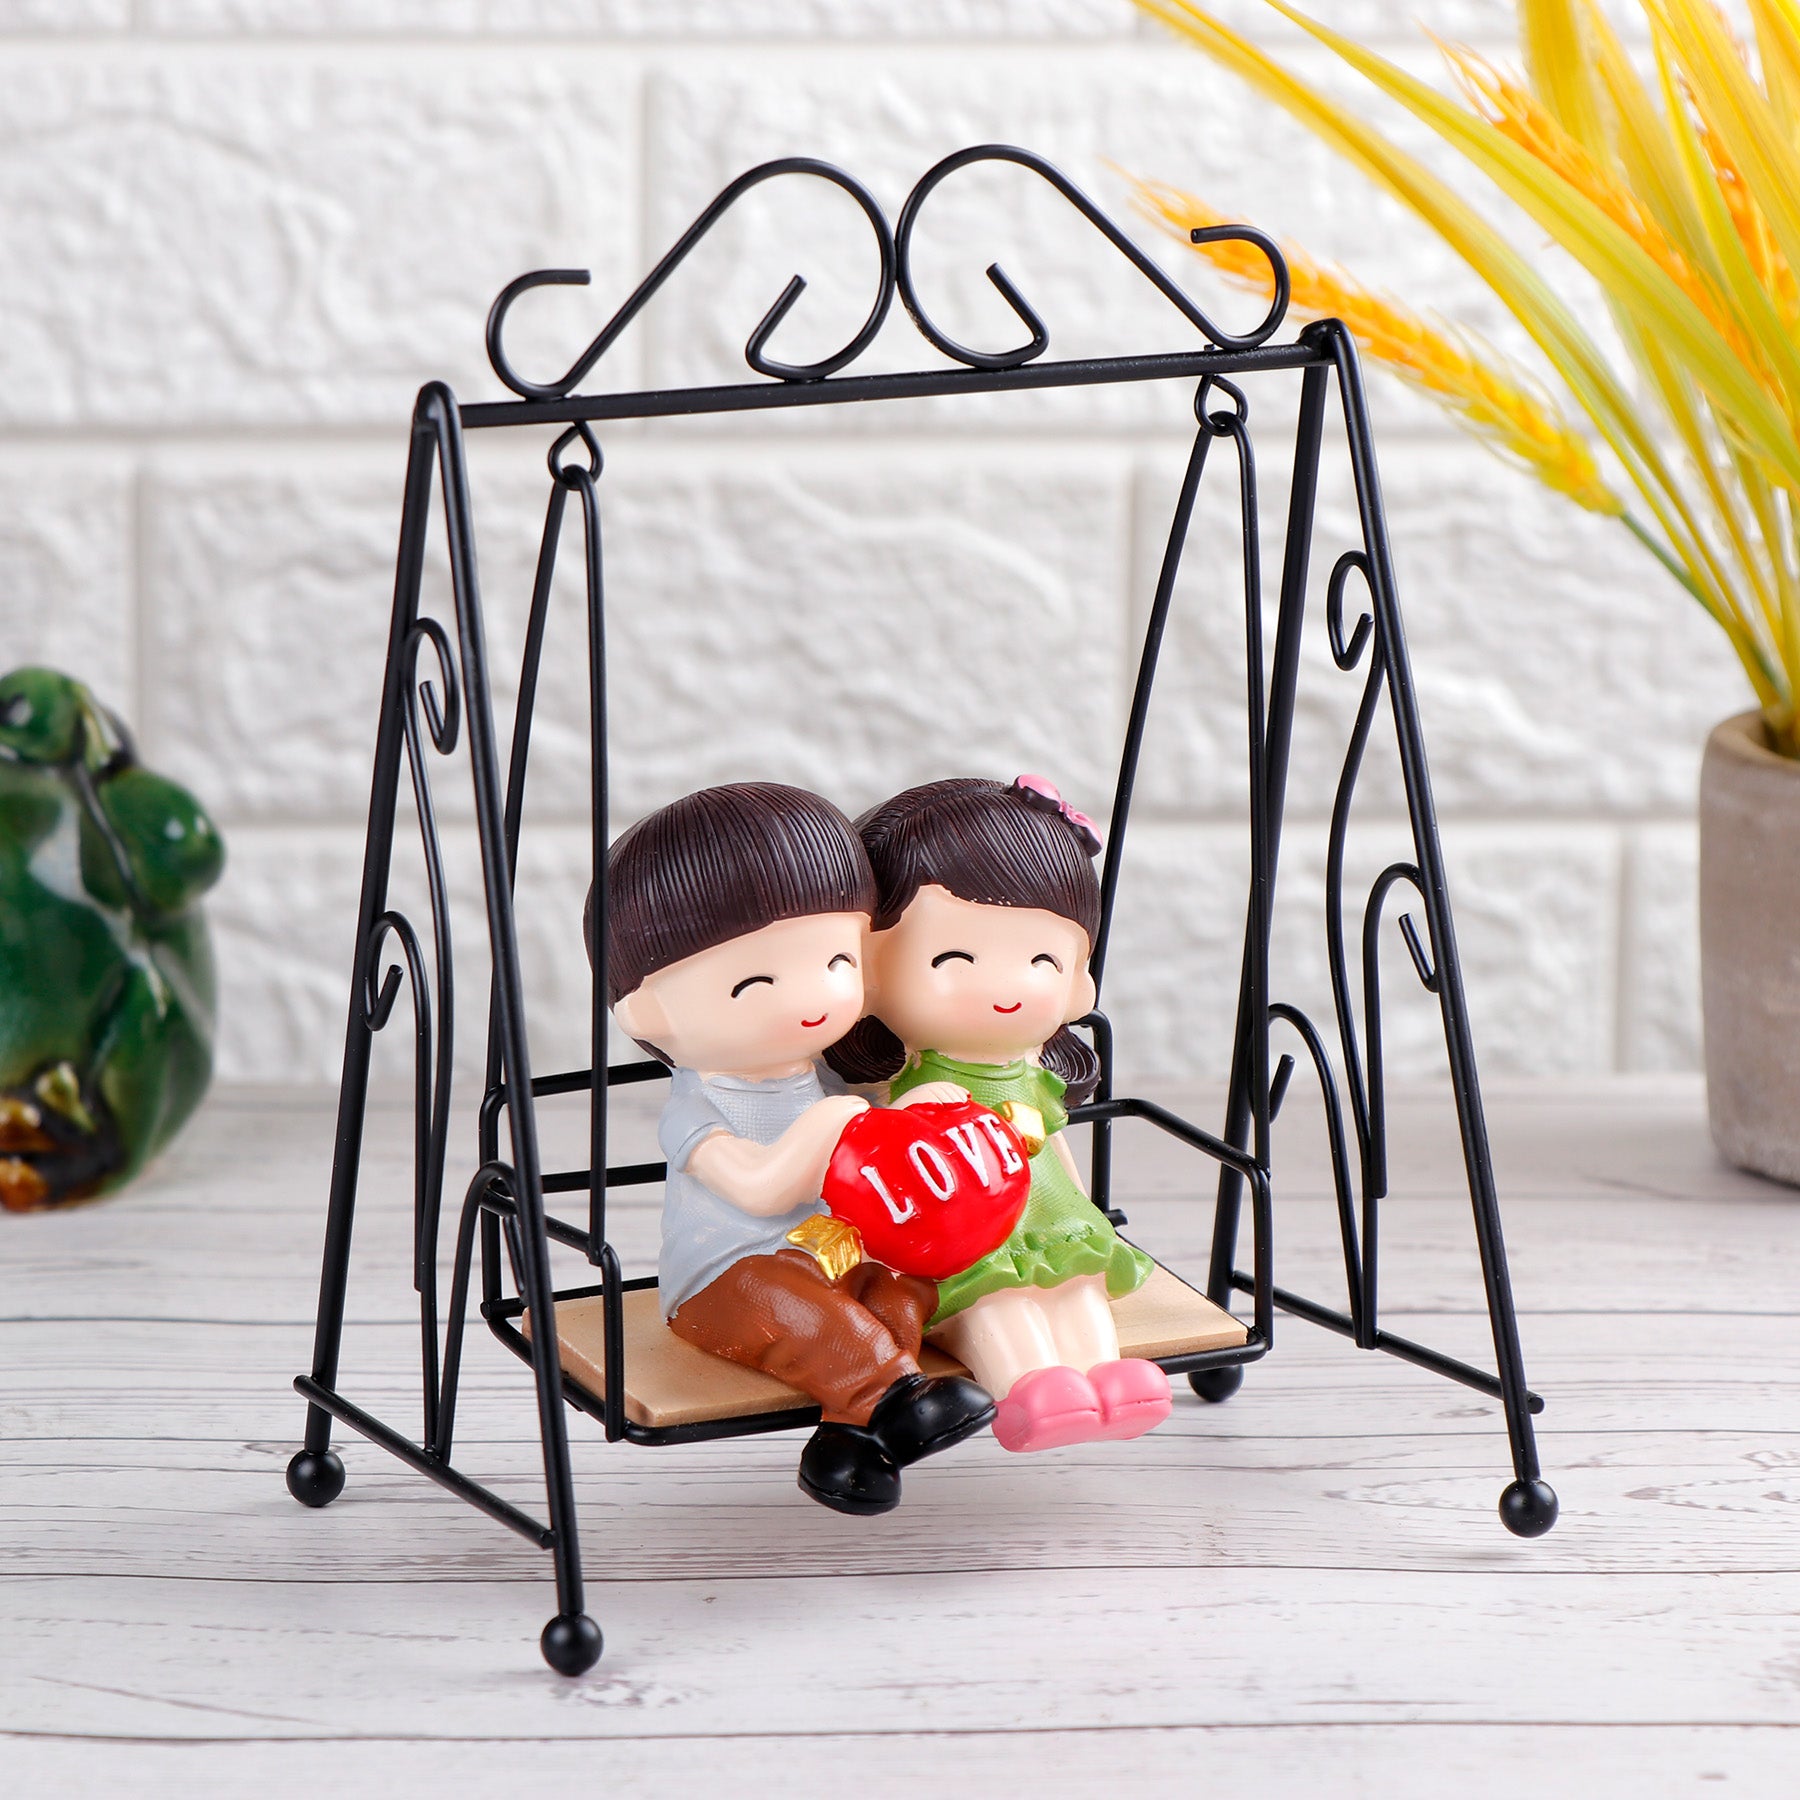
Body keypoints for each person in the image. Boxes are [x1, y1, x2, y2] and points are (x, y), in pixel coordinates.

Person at [593, 781, 994, 1516]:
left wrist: (916, 1114)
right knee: (795, 1304)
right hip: (728, 1278)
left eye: (837, 962)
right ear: (649, 1012)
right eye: (755, 982)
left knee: (900, 1283)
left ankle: (851, 1440)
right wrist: (829, 1125)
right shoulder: (700, 1105)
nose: (812, 995)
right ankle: (892, 1395)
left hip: (830, 1255)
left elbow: (867, 1143)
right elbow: (757, 1190)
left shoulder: (824, 1079)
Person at [827, 775, 1171, 1453]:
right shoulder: (917, 1088)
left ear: (1077, 978)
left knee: (1077, 1286)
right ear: (869, 971)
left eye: (1042, 959)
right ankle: (1029, 1389)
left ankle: (1109, 1376)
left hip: (1049, 1216)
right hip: (963, 1236)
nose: (1006, 986)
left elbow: (1054, 1154)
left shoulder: (1032, 1078)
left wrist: (1087, 1215)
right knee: (999, 1300)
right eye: (955, 959)